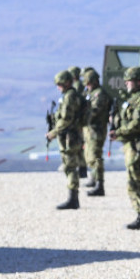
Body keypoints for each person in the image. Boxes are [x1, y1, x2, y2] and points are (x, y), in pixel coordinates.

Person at [110, 66, 140, 229]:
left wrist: (119, 132)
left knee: (136, 179)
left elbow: (139, 123)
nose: (126, 83)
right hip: (133, 143)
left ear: (139, 81)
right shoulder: (132, 98)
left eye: (129, 80)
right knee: (133, 180)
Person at [46, 70, 83, 210]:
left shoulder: (70, 97)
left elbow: (66, 119)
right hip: (68, 136)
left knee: (70, 167)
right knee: (69, 166)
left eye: (60, 83)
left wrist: (53, 133)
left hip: (70, 137)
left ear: (67, 82)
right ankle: (72, 198)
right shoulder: (68, 95)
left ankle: (73, 199)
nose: (58, 87)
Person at [81, 67, 112, 196]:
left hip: (97, 130)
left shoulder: (99, 94)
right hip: (89, 130)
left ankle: (100, 185)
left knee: (96, 157)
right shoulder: (89, 93)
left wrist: (80, 117)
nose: (87, 86)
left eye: (88, 83)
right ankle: (94, 179)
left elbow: (94, 112)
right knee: (89, 156)